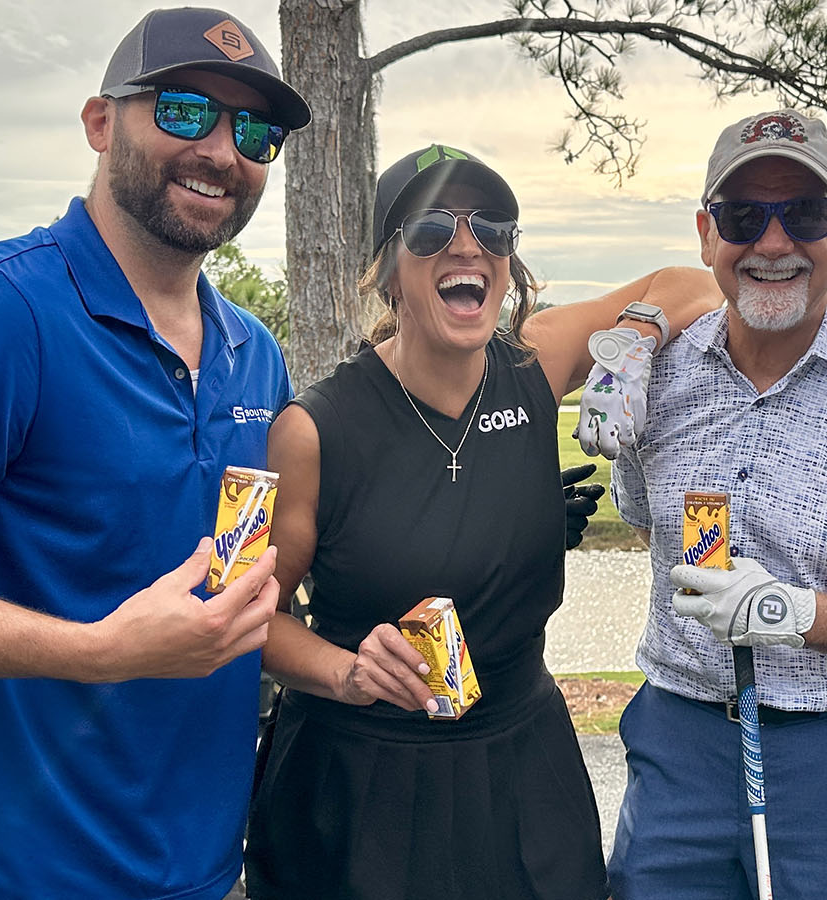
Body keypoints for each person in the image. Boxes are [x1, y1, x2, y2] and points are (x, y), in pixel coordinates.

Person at [0, 8, 310, 899]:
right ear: (100, 121)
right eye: (182, 109)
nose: (221, 149)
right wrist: (96, 650)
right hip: (7, 875)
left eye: (253, 131)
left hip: (200, 872)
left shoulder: (253, 352)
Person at [240, 143, 722, 900]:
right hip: (360, 776)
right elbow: (244, 613)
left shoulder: (532, 366)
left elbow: (691, 282)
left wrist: (633, 341)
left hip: (520, 763)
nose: (467, 244)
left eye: (492, 227)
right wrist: (346, 671)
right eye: (432, 228)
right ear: (389, 270)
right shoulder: (315, 429)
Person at [605, 108, 827, 900]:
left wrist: (791, 612)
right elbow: (642, 518)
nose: (773, 243)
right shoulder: (656, 381)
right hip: (680, 739)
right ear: (707, 234)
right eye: (744, 216)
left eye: (802, 214)